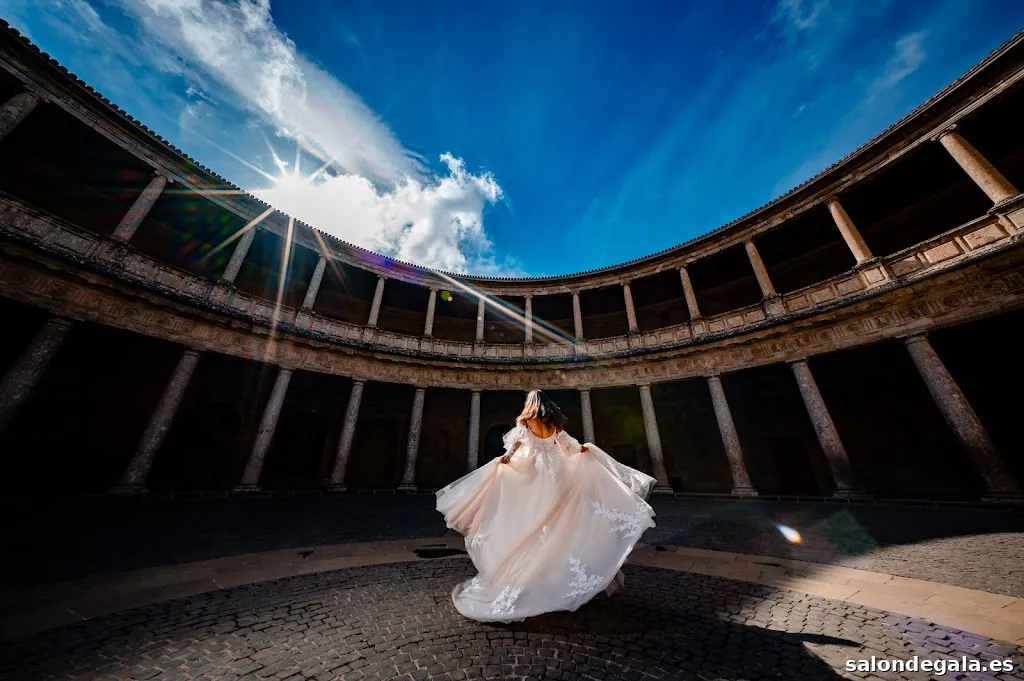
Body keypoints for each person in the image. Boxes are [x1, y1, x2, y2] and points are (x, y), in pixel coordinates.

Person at [435, 389, 657, 622]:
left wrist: (503, 462)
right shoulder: (554, 425)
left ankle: (533, 576)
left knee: (531, 524)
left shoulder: (525, 423)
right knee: (561, 525)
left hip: (533, 477)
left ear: (529, 405)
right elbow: (571, 448)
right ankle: (558, 575)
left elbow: (512, 450)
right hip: (557, 477)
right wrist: (587, 451)